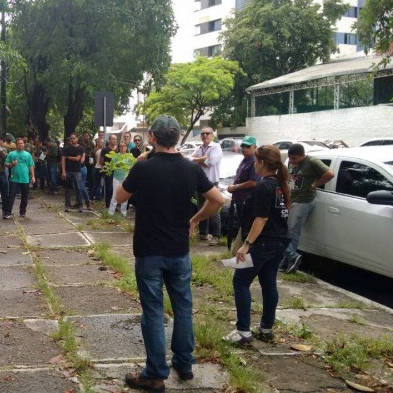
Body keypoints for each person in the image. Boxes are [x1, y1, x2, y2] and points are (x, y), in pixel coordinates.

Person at [116, 115, 224, 391]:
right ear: (177, 138)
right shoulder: (191, 168)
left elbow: (119, 197)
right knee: (183, 307)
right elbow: (218, 200)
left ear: (152, 137)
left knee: (152, 311)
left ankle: (155, 374)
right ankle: (184, 363)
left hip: (149, 251)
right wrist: (195, 220)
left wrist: (139, 162)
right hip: (179, 250)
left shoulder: (144, 168)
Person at [224, 145, 291, 345]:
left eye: (256, 161)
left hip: (261, 243)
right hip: (278, 242)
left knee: (241, 282)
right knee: (268, 283)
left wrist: (246, 244)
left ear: (262, 162)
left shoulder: (264, 186)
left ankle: (243, 331)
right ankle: (266, 327)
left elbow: (260, 219)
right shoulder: (280, 185)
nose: (254, 164)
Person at [280, 143, 334, 273]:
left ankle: (291, 258)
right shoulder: (292, 164)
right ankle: (287, 259)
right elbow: (288, 179)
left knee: (292, 232)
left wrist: (316, 184)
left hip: (303, 201)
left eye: (294, 159)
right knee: (286, 230)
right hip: (292, 199)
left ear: (302, 155)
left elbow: (330, 173)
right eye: (290, 159)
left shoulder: (312, 161)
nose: (292, 162)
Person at [191, 127, 223, 246]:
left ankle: (216, 235)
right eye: (203, 134)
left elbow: (210, 163)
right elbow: (190, 160)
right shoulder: (199, 148)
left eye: (207, 133)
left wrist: (198, 160)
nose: (205, 135)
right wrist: (201, 159)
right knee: (201, 208)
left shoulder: (216, 147)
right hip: (200, 182)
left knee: (213, 209)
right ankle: (203, 233)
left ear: (212, 135)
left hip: (211, 182)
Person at [227, 136, 261, 229]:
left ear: (254, 147)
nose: (244, 149)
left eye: (248, 147)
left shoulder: (254, 161)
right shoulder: (245, 159)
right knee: (242, 226)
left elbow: (253, 182)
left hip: (248, 200)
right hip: (240, 199)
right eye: (243, 146)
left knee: (246, 227)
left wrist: (235, 187)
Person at [5, 138, 36, 219]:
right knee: (11, 195)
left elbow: (31, 166)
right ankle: (8, 212)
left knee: (24, 196)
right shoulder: (12, 154)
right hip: (14, 178)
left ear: (24, 144)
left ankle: (22, 212)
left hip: (25, 178)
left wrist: (33, 176)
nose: (20, 144)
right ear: (16, 144)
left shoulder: (27, 154)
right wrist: (12, 164)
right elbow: (6, 164)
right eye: (19, 143)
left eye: (22, 143)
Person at [61, 133, 90, 212]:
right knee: (68, 188)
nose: (72, 140)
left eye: (74, 138)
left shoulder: (80, 148)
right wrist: (63, 171)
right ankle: (67, 205)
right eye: (71, 138)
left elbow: (78, 159)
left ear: (77, 139)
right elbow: (63, 159)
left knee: (79, 188)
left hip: (77, 170)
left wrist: (68, 157)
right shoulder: (66, 148)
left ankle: (80, 204)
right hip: (68, 170)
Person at [108, 142, 133, 217]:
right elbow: (111, 167)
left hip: (126, 178)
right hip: (116, 178)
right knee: (115, 194)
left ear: (126, 147)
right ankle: (111, 212)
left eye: (124, 146)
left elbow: (132, 166)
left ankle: (123, 212)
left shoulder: (130, 156)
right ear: (118, 148)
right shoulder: (116, 156)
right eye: (120, 146)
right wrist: (116, 165)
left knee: (125, 195)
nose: (122, 148)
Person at [101, 134, 118, 203]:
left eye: (116, 139)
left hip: (117, 171)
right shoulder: (105, 149)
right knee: (109, 187)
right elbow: (101, 161)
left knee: (115, 188)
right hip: (108, 171)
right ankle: (108, 203)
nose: (114, 140)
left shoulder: (118, 150)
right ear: (110, 140)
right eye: (113, 139)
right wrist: (106, 167)